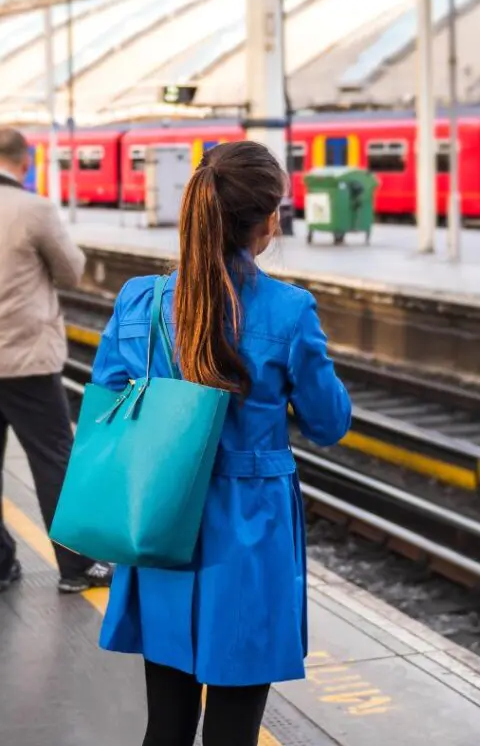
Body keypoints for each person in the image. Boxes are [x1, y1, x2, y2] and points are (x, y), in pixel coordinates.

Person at [93, 141, 352, 746]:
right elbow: (329, 423)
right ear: (266, 221)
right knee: (234, 728)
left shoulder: (140, 300)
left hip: (161, 517)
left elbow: (106, 398)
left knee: (166, 723)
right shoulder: (289, 311)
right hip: (250, 529)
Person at [0, 127, 111, 595]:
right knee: (53, 458)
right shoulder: (32, 209)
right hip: (25, 359)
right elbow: (71, 271)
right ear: (25, 162)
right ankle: (76, 567)